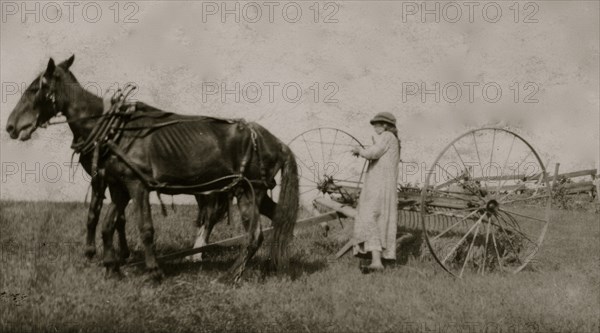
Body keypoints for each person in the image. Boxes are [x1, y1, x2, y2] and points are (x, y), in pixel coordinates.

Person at [350, 112, 401, 272]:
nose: (375, 127)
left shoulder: (386, 136)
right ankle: (376, 261)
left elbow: (374, 153)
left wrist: (360, 151)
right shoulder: (390, 139)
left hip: (380, 184)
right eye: (374, 124)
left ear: (386, 125)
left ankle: (376, 261)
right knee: (376, 219)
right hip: (381, 183)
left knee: (370, 216)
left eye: (377, 124)